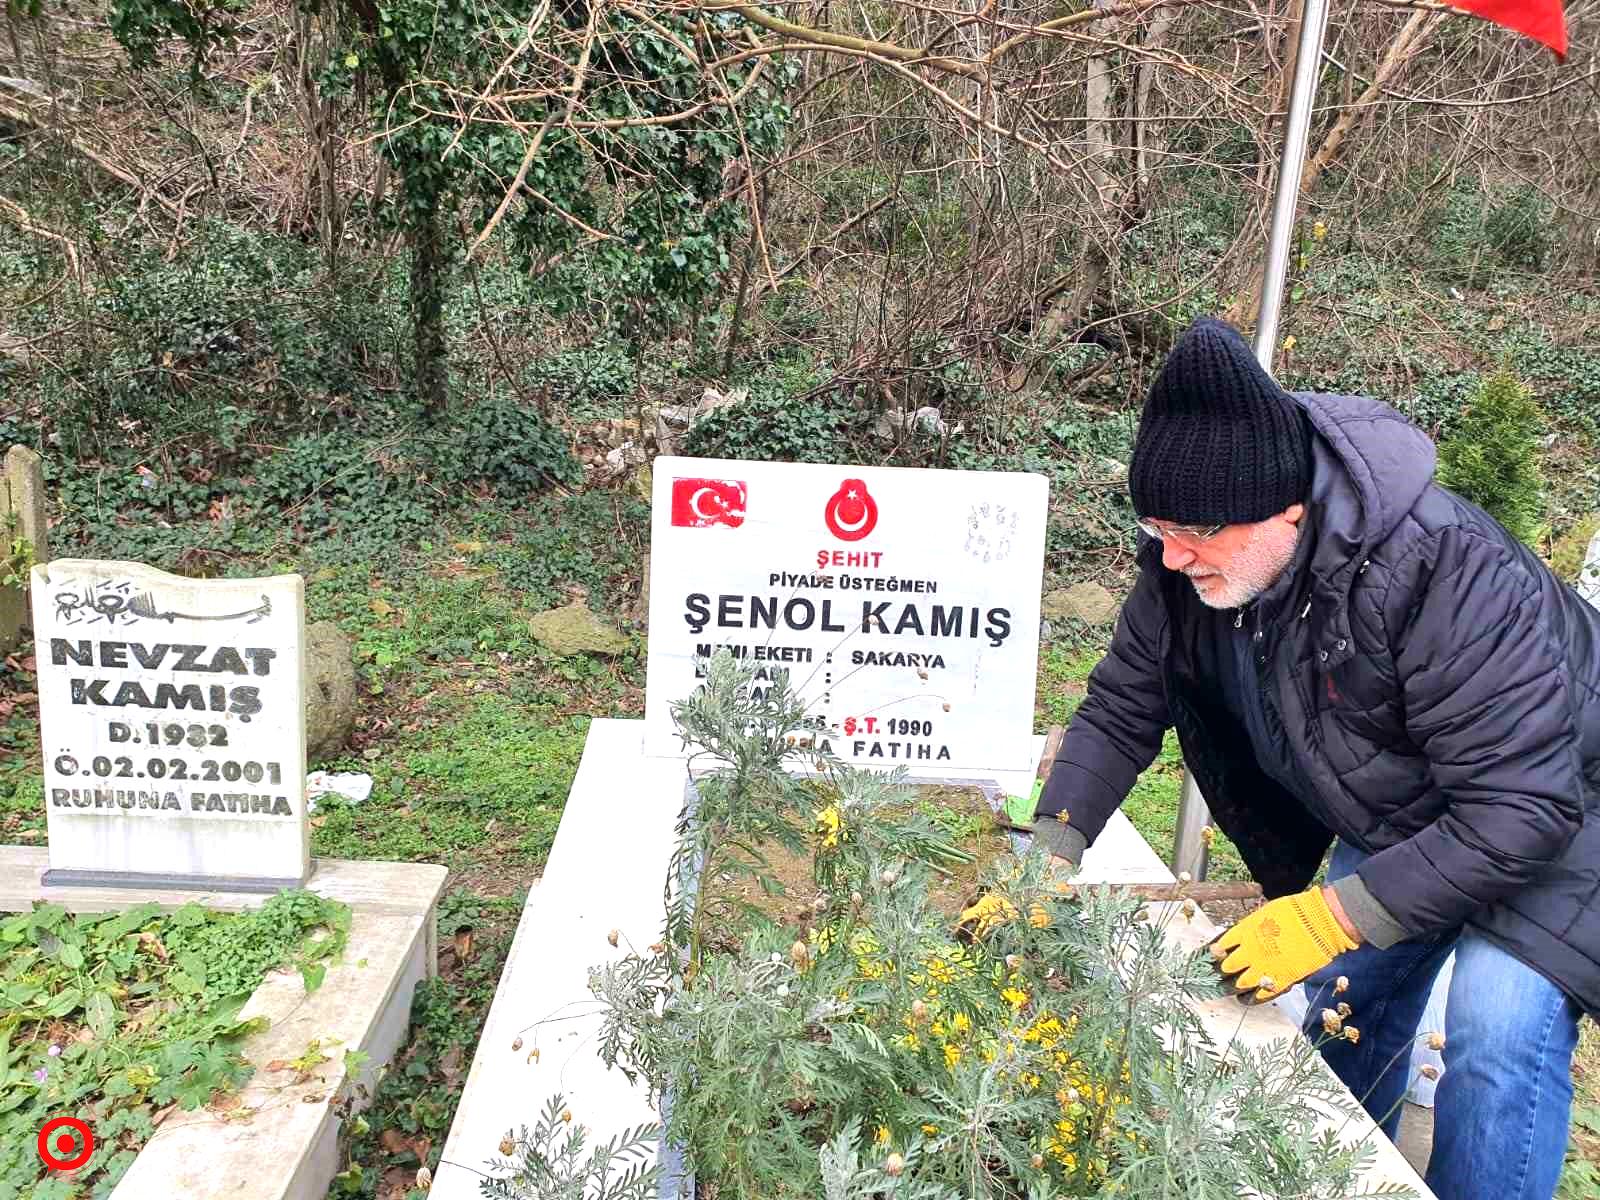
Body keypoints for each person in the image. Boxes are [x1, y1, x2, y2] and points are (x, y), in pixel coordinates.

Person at [1029, 316, 1600, 1200]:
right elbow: (1119, 707)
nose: (1171, 554)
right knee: (1343, 1001)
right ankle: (1340, 1181)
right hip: (1421, 804)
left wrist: (1333, 914)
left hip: (1562, 800)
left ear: (1286, 512)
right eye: (1155, 525)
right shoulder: (1190, 566)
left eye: (1194, 532)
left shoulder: (1442, 569)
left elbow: (1520, 809)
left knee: (1496, 1027)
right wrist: (1046, 858)